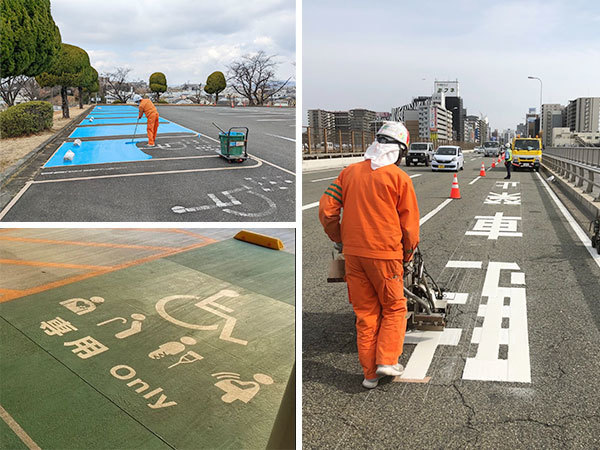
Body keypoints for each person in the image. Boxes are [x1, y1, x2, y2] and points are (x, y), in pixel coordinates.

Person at [318, 121, 420, 389]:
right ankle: (387, 359)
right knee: (395, 307)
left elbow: (327, 210)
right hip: (385, 255)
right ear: (399, 151)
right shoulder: (399, 179)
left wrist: (340, 238)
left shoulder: (349, 173)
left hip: (353, 255)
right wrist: (407, 255)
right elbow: (409, 227)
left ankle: (369, 375)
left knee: (365, 312)